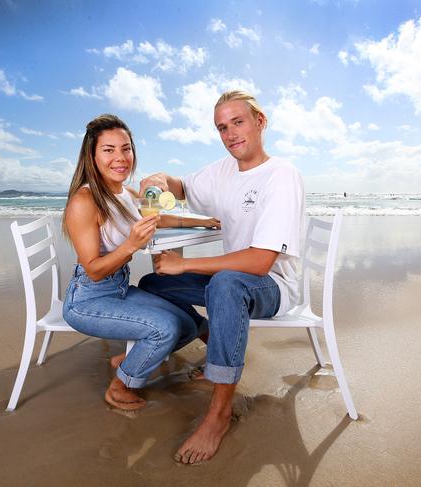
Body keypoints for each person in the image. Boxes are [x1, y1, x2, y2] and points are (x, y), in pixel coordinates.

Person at [138, 90, 304, 464]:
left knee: (225, 283)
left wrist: (185, 264)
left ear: (260, 122)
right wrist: (160, 179)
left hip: (274, 286)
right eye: (222, 127)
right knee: (154, 284)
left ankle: (219, 413)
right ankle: (212, 336)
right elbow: (181, 187)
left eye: (238, 122)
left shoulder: (281, 176)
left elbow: (261, 261)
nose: (230, 134)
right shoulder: (224, 171)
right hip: (233, 281)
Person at [61, 114, 220, 411]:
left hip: (119, 289)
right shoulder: (84, 202)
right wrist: (130, 245)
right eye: (108, 150)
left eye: (126, 148)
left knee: (191, 321)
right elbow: (94, 271)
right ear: (92, 156)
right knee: (165, 328)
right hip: (88, 300)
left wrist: (200, 222)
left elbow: (155, 218)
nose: (120, 158)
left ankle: (133, 358)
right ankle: (121, 386)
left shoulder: (126, 192)